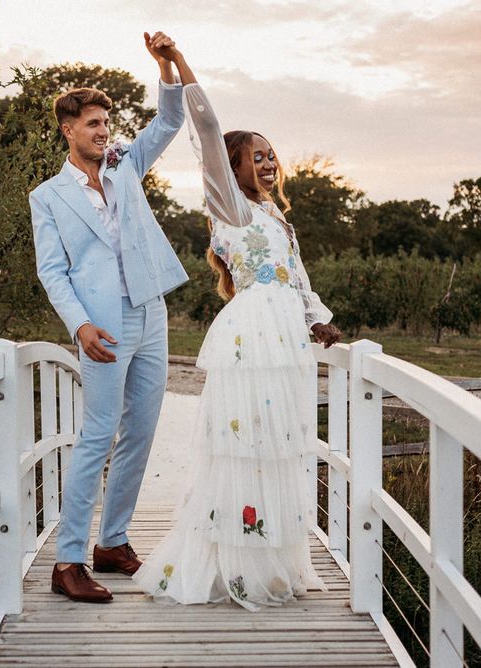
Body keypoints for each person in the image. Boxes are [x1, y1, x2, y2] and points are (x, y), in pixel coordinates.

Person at [133, 42, 342, 610]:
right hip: (253, 334)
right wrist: (175, 62)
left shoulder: (278, 216)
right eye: (258, 156)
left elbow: (296, 279)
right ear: (233, 167)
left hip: (286, 335)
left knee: (278, 448)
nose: (269, 163)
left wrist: (319, 321)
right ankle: (232, 563)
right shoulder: (231, 207)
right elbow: (207, 126)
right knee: (244, 445)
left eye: (272, 155)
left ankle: (271, 563)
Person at [29, 32, 188, 603]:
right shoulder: (47, 197)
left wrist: (167, 66)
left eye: (107, 123)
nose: (103, 132)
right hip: (100, 322)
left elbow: (169, 123)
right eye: (92, 124)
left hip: (151, 308)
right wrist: (78, 324)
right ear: (68, 130)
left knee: (141, 432)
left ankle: (112, 542)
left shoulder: (126, 166)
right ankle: (68, 560)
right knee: (98, 435)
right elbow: (53, 271)